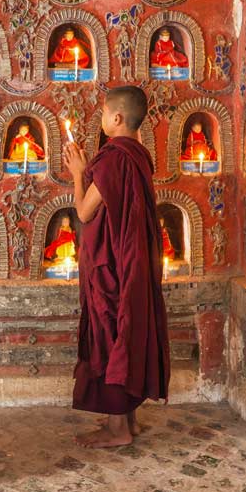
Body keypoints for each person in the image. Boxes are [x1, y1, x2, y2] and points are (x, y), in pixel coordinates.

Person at [62, 85, 169, 448]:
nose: (103, 119)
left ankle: (118, 428)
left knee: (112, 334)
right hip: (133, 261)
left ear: (118, 117)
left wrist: (78, 172)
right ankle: (130, 422)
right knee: (127, 330)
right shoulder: (139, 156)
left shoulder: (113, 159)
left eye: (105, 113)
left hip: (111, 266)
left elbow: (83, 211)